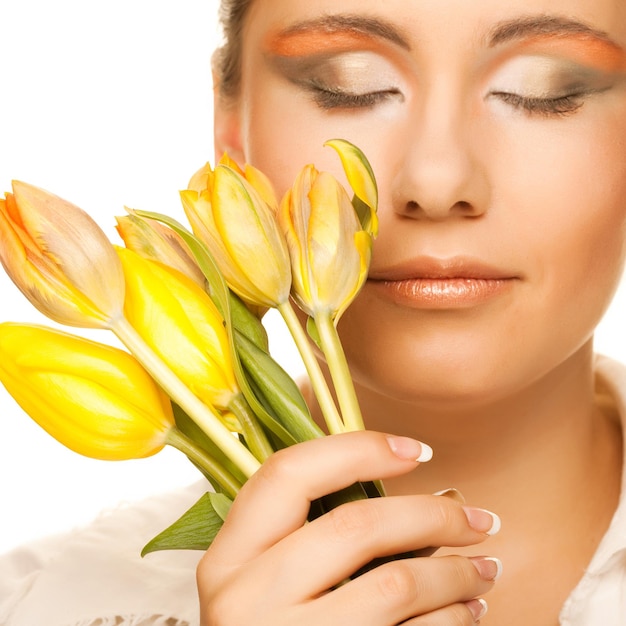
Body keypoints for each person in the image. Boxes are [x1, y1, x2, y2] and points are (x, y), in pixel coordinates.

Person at [1, 0, 626, 624]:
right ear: (231, 130)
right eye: (351, 88)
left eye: (545, 91)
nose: (436, 185)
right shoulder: (37, 603)